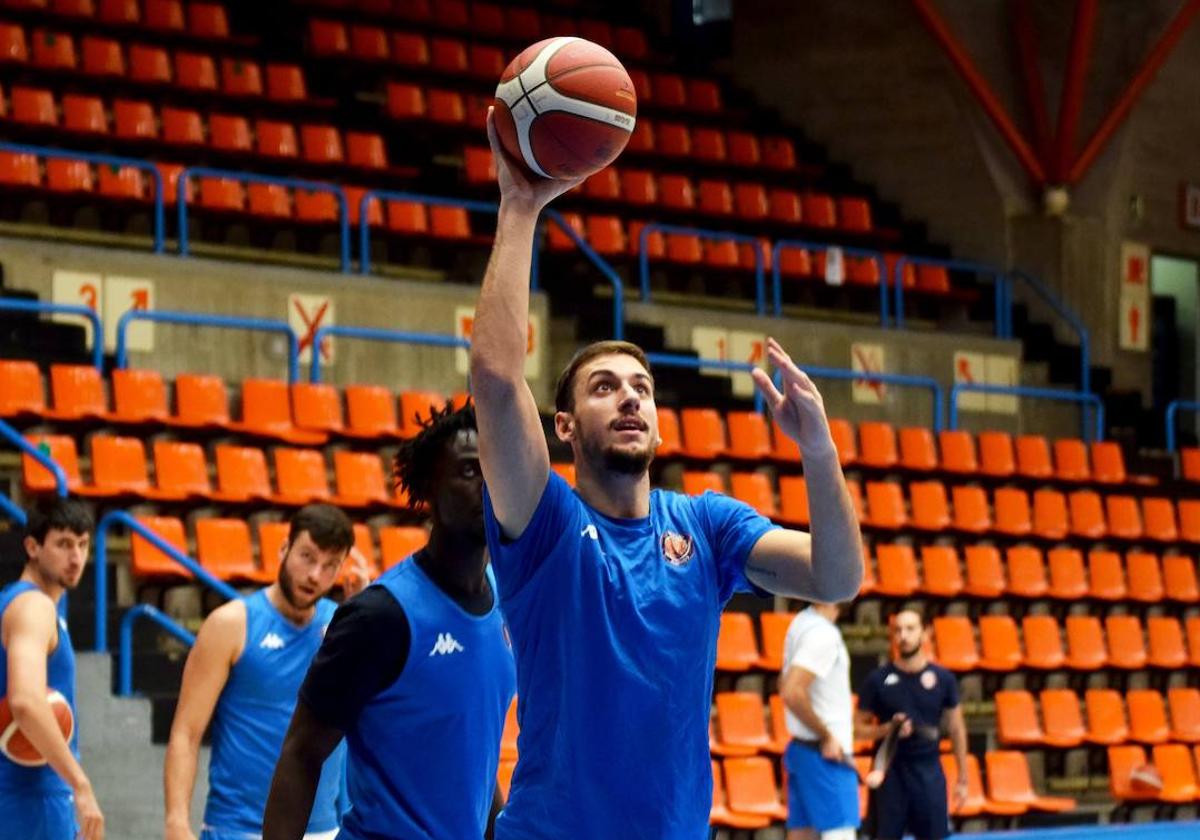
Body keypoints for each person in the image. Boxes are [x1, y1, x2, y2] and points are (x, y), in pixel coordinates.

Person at [468, 106, 864, 839]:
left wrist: (819, 451)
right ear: (565, 427)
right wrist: (521, 206)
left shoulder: (708, 526)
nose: (629, 398)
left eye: (642, 389)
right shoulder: (545, 521)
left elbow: (836, 579)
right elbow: (494, 381)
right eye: (603, 387)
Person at [262, 403, 516, 840]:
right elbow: (301, 753)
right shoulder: (380, 616)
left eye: (496, 467)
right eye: (470, 471)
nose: (489, 483)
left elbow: (473, 758)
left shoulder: (505, 600)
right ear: (429, 488)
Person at [164, 504, 367, 840]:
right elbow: (186, 732)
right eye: (307, 557)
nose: (315, 574)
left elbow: (365, 718)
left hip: (322, 830)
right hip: (238, 828)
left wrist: (362, 614)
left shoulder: (342, 626)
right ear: (283, 550)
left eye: (330, 565)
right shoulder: (230, 624)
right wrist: (176, 822)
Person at [0, 498, 104, 840]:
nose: (76, 558)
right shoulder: (34, 607)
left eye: (83, 545)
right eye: (63, 544)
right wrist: (81, 783)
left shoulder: (12, 602)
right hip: (32, 798)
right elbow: (26, 701)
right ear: (32, 547)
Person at [855, 607, 968, 840]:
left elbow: (956, 729)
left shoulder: (943, 679)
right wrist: (887, 729)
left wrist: (963, 779)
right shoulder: (877, 680)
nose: (903, 636)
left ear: (924, 633)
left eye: (910, 629)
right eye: (898, 630)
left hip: (928, 773)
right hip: (890, 775)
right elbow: (856, 731)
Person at [778, 601, 858, 840]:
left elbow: (784, 684)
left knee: (802, 834)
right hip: (826, 755)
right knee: (840, 833)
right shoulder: (823, 633)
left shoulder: (801, 622)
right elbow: (791, 691)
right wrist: (827, 735)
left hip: (803, 750)